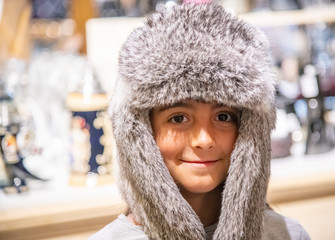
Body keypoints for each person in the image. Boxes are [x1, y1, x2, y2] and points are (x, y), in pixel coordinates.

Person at [90, 2, 311, 240]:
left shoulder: (288, 235)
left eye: (223, 116)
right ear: (140, 133)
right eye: (178, 118)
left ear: (250, 128)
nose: (204, 140)